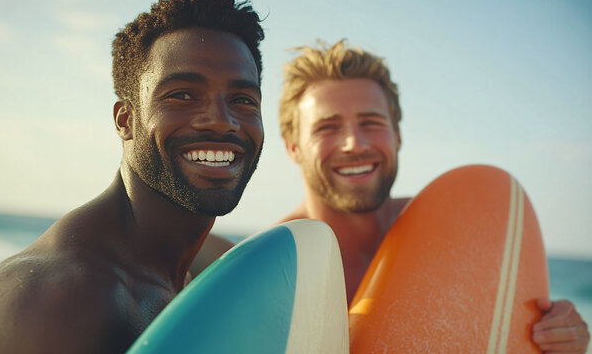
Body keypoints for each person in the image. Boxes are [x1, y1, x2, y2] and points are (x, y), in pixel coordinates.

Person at [195, 40, 590, 353]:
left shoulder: (455, 234)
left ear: (398, 135)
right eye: (328, 127)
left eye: (371, 122)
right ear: (293, 146)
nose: (354, 143)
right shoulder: (278, 271)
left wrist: (560, 333)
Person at [0, 0, 264, 353]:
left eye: (243, 100)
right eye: (182, 95)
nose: (222, 120)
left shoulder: (184, 268)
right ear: (125, 120)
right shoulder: (60, 296)